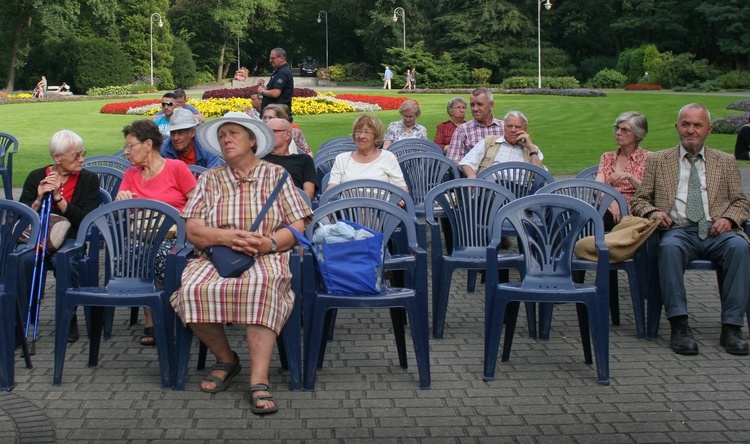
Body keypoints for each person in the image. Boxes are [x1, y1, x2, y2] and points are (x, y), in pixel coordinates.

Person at [170, 113, 312, 415]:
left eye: (233, 133)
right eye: (222, 136)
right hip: (218, 254)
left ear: (252, 140)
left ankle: (259, 379)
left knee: (260, 286)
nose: (226, 140)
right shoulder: (209, 179)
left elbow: (298, 225)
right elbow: (193, 230)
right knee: (192, 289)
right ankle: (226, 360)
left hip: (267, 254)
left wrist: (269, 243)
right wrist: (224, 236)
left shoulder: (276, 175)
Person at [630, 103, 750, 356]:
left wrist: (729, 218)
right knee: (669, 248)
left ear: (709, 129)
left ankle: (731, 327)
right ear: (677, 127)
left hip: (718, 231)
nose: (691, 130)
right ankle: (679, 325)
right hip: (679, 230)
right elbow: (639, 200)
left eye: (697, 125)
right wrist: (653, 212)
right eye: (686, 124)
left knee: (740, 247)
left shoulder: (725, 161)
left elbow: (741, 201)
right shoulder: (658, 160)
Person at [116, 120, 197, 346]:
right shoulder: (131, 174)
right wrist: (120, 201)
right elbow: (114, 215)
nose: (126, 152)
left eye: (130, 146)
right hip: (142, 237)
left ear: (148, 144)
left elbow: (198, 205)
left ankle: (170, 315)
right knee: (132, 255)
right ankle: (153, 318)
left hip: (176, 237)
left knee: (162, 255)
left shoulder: (176, 168)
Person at [18, 130, 101, 343]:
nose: (82, 159)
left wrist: (58, 198)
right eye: (76, 155)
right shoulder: (36, 176)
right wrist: (38, 198)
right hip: (40, 236)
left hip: (72, 235)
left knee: (63, 259)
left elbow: (84, 220)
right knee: (23, 258)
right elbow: (22, 216)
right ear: (57, 157)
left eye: (82, 153)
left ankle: (68, 315)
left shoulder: (89, 179)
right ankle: (20, 320)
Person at [595, 111, 650, 229]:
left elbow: (650, 192)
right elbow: (598, 188)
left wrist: (630, 177)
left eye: (624, 130)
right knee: (576, 213)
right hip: (608, 208)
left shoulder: (649, 159)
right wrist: (611, 202)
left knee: (591, 217)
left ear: (638, 135)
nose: (618, 133)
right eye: (617, 128)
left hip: (633, 213)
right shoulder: (607, 157)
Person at [327, 114, 408, 192]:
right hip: (348, 205)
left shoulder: (388, 157)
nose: (361, 136)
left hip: (381, 205)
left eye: (367, 132)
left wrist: (400, 198)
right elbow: (331, 189)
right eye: (358, 131)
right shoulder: (342, 159)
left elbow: (401, 188)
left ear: (376, 136)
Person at [459, 110, 545, 178]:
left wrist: (531, 149)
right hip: (491, 190)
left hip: (521, 193)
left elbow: (541, 177)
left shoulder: (533, 150)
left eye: (517, 127)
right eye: (509, 126)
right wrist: (473, 177)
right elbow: (466, 163)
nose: (513, 130)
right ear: (504, 127)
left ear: (525, 129)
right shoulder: (489, 142)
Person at [445, 87, 504, 162]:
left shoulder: (504, 128)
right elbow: (452, 160)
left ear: (491, 105)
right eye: (472, 105)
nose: (475, 109)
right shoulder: (462, 130)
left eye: (480, 104)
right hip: (472, 173)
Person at [264, 118, 317, 200]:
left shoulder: (304, 160)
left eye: (271, 131)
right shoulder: (257, 159)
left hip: (294, 205)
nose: (266, 135)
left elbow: (309, 194)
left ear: (287, 135)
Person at [257, 47, 294, 114]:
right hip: (276, 111)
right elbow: (274, 89)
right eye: (270, 58)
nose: (270, 60)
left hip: (277, 112)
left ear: (281, 58)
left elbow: (275, 93)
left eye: (273, 58)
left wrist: (262, 91)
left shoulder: (283, 72)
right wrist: (263, 87)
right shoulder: (279, 71)